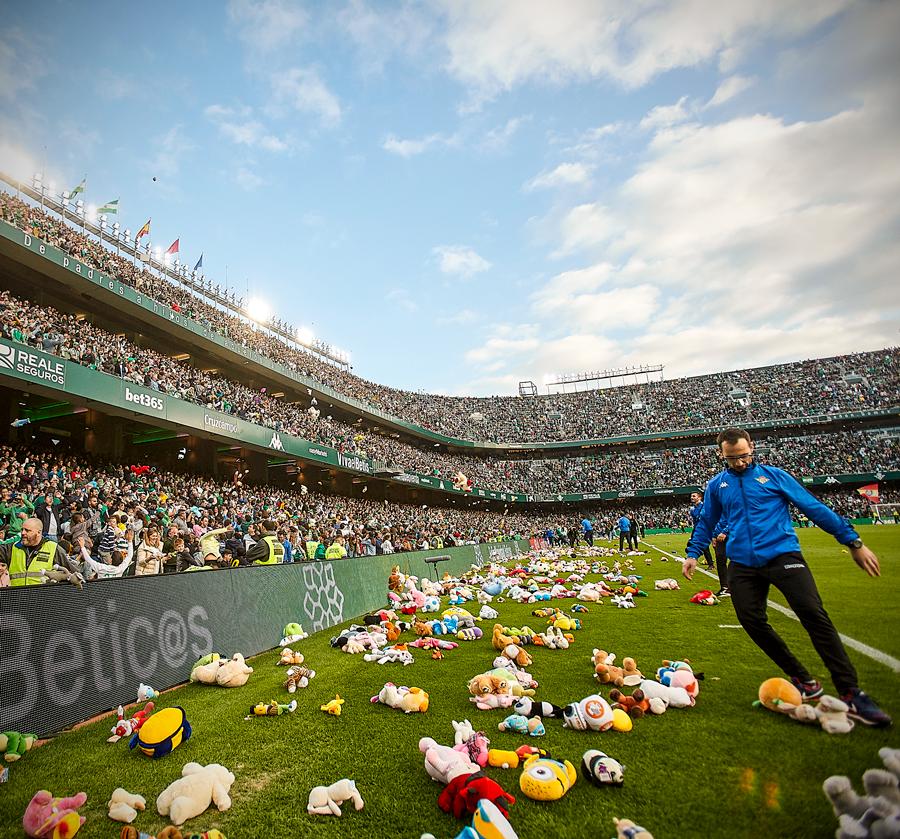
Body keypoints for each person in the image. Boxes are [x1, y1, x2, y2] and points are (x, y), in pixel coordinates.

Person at [685, 427, 891, 727]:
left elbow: (814, 508)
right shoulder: (717, 485)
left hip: (783, 556)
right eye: (732, 459)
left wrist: (852, 542)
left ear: (751, 448)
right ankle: (804, 679)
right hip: (742, 563)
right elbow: (707, 521)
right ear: (722, 455)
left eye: (744, 456)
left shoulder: (776, 476)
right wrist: (693, 553)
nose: (740, 462)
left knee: (814, 616)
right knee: (751, 620)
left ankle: (852, 694)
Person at [0, 517, 83, 586]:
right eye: (22, 530)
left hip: (43, 600)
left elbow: (74, 572)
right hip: (17, 599)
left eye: (27, 530)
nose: (22, 533)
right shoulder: (12, 548)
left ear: (39, 532)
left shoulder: (53, 548)